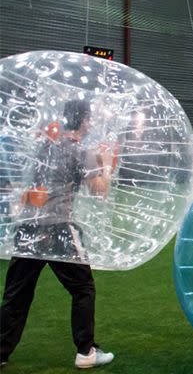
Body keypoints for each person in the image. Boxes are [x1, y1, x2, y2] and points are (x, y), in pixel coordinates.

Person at [0, 99, 115, 369]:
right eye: (90, 118)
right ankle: (86, 352)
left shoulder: (44, 147)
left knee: (16, 295)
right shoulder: (80, 151)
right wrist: (107, 165)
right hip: (56, 228)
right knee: (83, 288)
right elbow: (100, 190)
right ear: (85, 120)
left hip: (28, 226)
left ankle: (1, 352)